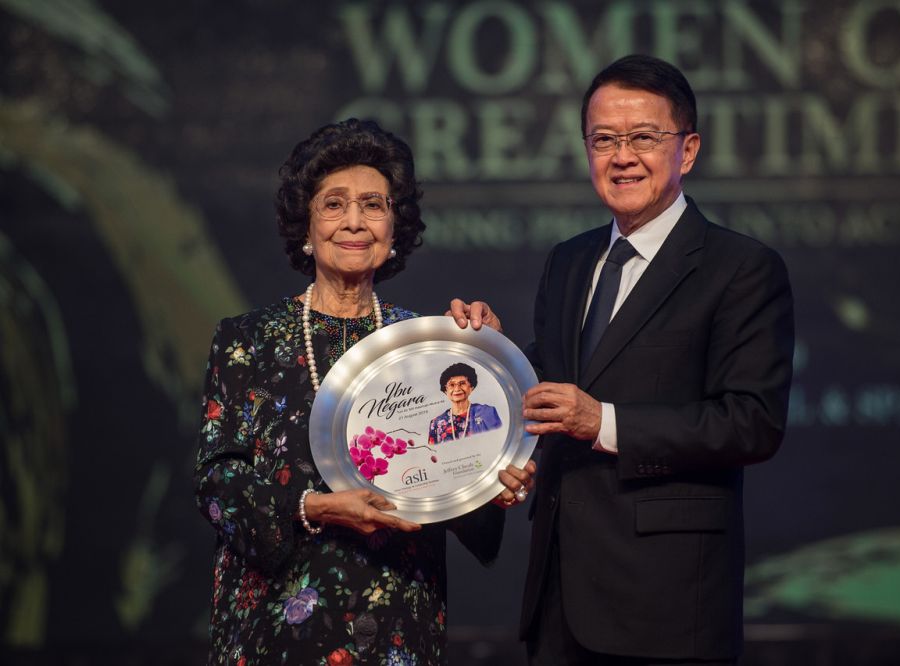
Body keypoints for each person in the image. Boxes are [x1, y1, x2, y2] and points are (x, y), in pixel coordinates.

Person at [451, 54, 794, 664]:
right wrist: (491, 355)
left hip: (665, 604)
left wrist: (603, 422)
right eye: (604, 139)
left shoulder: (740, 268)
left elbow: (751, 422)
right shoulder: (568, 260)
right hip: (559, 598)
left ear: (687, 151)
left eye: (643, 137)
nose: (622, 155)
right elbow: (549, 388)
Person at [194, 118, 535, 666]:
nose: (354, 221)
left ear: (394, 230)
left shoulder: (427, 346)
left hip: (399, 620)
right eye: (334, 204)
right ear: (305, 228)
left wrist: (490, 480)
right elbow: (217, 484)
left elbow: (455, 488)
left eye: (374, 205)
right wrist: (318, 507)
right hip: (278, 628)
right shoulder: (247, 340)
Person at [428, 362, 503, 444]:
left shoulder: (487, 413)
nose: (457, 389)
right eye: (452, 385)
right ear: (445, 391)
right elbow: (434, 454)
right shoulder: (436, 423)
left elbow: (500, 441)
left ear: (471, 387)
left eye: (462, 383)